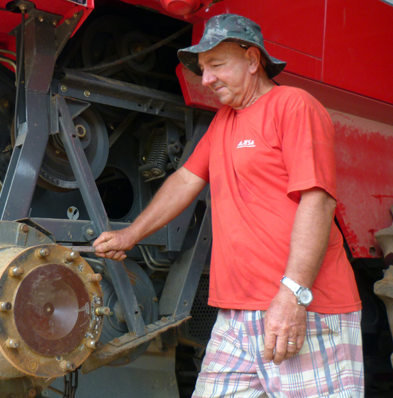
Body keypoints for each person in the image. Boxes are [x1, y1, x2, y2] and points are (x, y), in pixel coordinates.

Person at [93, 14, 363, 398]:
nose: (206, 80)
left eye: (217, 66)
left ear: (253, 60)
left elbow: (317, 202)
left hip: (303, 306)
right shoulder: (223, 122)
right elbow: (185, 180)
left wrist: (292, 295)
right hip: (236, 315)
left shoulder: (293, 105)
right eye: (203, 70)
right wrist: (130, 234)